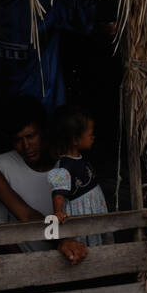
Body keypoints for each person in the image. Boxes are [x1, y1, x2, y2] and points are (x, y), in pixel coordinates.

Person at [0, 97, 88, 262]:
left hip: (74, 257)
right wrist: (29, 263)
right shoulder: (3, 166)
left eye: (31, 136)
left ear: (44, 132)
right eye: (18, 140)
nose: (26, 146)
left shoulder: (67, 164)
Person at [47, 105, 108, 252]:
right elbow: (59, 194)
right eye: (90, 134)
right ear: (75, 140)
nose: (93, 137)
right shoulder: (63, 167)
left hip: (93, 209)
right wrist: (58, 212)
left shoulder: (81, 159)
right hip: (82, 212)